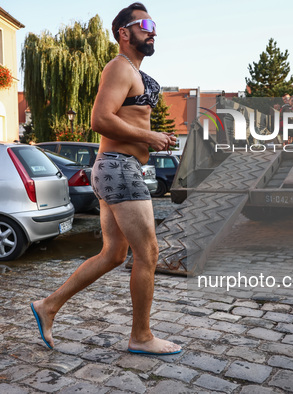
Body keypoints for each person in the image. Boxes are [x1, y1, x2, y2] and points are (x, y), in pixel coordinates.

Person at [30, 2, 181, 356]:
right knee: (148, 253)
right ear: (124, 33)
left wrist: (152, 135)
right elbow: (100, 119)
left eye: (154, 24)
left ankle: (47, 306)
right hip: (118, 167)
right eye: (144, 24)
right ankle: (141, 337)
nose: (152, 30)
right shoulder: (118, 67)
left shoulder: (130, 70)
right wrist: (149, 138)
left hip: (114, 166)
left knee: (114, 254)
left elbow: (126, 117)